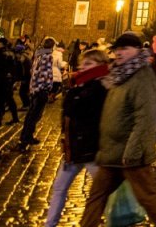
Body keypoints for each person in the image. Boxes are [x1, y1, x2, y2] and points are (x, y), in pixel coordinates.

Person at [78, 32, 156, 227]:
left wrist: (133, 151)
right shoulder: (117, 74)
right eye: (117, 49)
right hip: (112, 152)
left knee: (149, 200)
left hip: (132, 155)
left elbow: (145, 117)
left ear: (138, 50)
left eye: (125, 49)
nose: (119, 53)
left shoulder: (142, 76)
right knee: (95, 198)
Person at [45, 48, 109, 227]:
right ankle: (49, 224)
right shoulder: (80, 84)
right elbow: (67, 112)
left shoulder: (101, 88)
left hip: (91, 151)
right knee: (59, 188)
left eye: (89, 64)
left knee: (103, 192)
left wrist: (76, 90)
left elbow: (80, 110)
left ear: (100, 66)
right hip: (73, 151)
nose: (83, 67)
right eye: (83, 63)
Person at [20, 37, 57, 150]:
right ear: (52, 46)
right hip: (41, 89)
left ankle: (26, 136)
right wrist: (46, 87)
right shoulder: (47, 56)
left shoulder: (39, 55)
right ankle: (26, 138)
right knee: (34, 115)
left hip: (35, 88)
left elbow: (33, 71)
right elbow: (45, 73)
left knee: (31, 115)